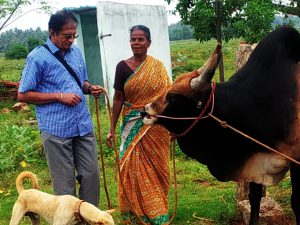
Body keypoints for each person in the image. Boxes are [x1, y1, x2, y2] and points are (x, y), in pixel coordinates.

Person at [18, 10, 103, 207]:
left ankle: (89, 217)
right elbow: (23, 94)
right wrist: (59, 96)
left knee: (91, 175)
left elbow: (81, 81)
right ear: (52, 33)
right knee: (64, 185)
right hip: (56, 130)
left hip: (82, 125)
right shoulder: (37, 58)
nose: (71, 40)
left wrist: (90, 88)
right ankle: (67, 218)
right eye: (67, 36)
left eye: (74, 35)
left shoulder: (76, 52)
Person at [106, 25, 171, 224]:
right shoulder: (122, 67)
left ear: (149, 43)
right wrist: (111, 128)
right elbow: (118, 98)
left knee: (155, 167)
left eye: (140, 39)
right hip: (131, 122)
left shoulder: (158, 67)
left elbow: (166, 98)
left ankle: (157, 211)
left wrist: (172, 125)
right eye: (133, 39)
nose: (136, 43)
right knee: (132, 166)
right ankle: (135, 211)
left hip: (155, 126)